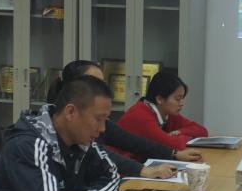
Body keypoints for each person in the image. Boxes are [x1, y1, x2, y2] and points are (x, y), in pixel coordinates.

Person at [0, 74, 167, 191]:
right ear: (70, 112)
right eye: (98, 119)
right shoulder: (28, 144)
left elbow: (112, 175)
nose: (103, 129)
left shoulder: (81, 140)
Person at [49, 60, 203, 176]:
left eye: (102, 83)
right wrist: (145, 170)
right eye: (94, 84)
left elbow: (132, 141)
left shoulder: (94, 125)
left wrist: (174, 152)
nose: (102, 128)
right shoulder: (43, 140)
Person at [117, 68, 208, 153]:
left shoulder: (167, 113)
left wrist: (180, 132)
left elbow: (202, 131)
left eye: (182, 98)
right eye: (177, 99)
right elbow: (173, 146)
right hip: (123, 164)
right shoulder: (140, 115)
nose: (182, 103)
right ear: (160, 99)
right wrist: (186, 137)